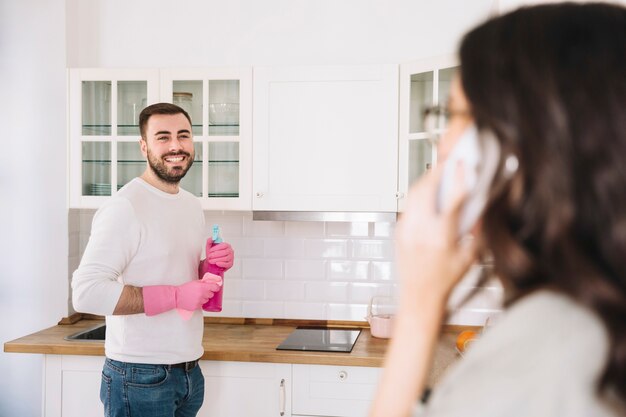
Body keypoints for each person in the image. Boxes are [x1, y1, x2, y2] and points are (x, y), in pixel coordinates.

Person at [370, 3, 626, 417]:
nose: (445, 145)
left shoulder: (531, 364)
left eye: (455, 116)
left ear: (527, 144)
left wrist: (418, 305)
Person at [72, 102, 234, 417]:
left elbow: (174, 270)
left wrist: (209, 266)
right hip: (138, 376)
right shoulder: (125, 207)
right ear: (144, 146)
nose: (176, 145)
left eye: (183, 135)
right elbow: (86, 292)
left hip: (188, 369)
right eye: (163, 137)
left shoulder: (189, 204)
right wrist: (175, 295)